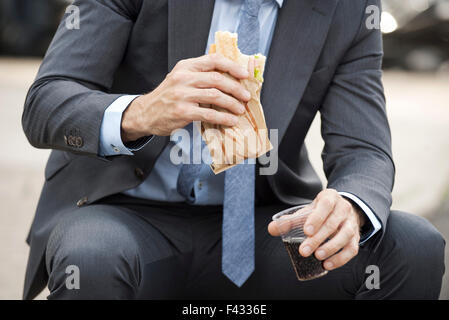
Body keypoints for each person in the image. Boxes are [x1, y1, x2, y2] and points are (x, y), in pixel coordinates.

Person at [22, 0, 445, 300]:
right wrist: (142, 111)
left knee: (413, 246)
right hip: (125, 215)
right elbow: (46, 103)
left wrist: (350, 204)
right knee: (92, 256)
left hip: (261, 229)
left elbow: (363, 148)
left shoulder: (347, 9)